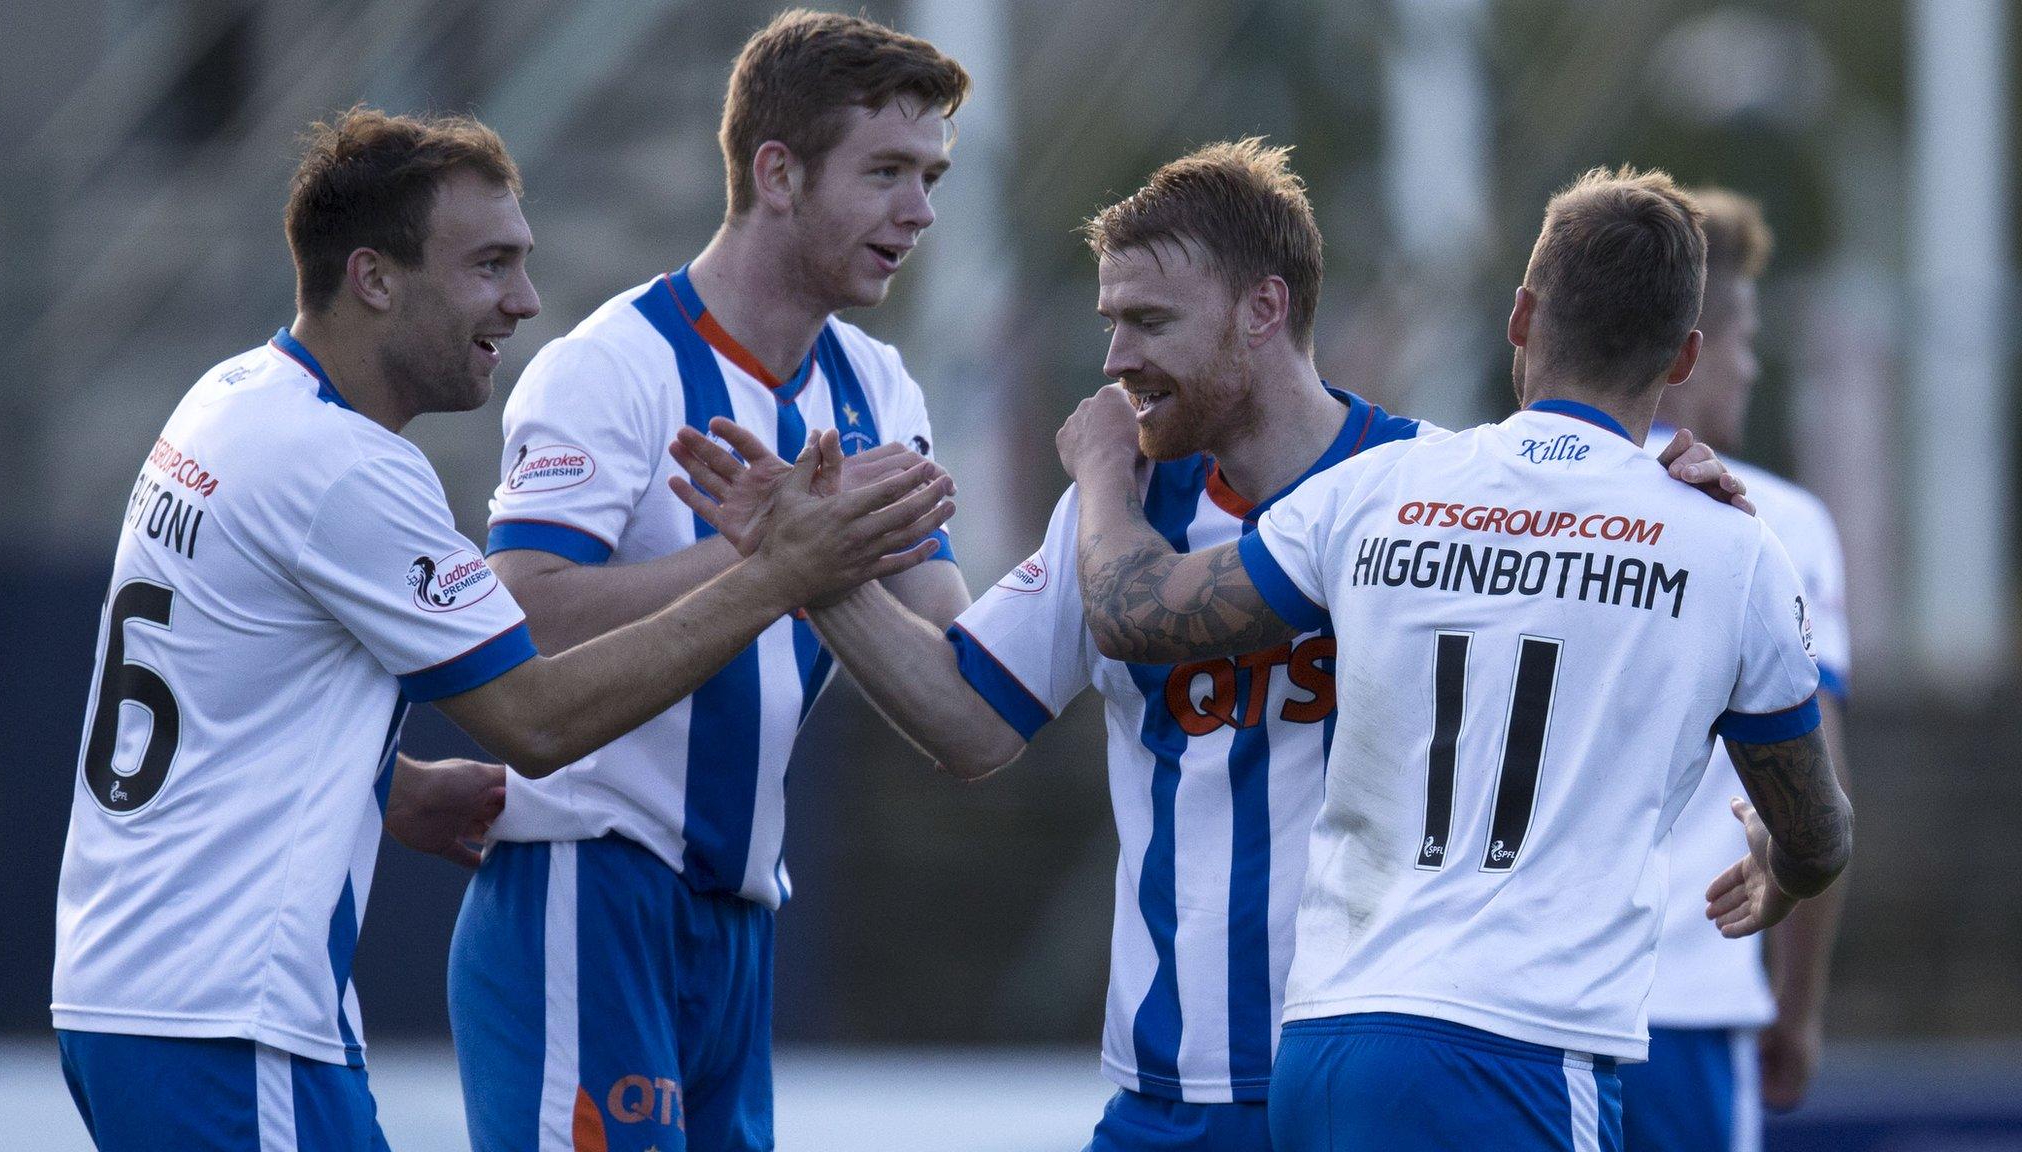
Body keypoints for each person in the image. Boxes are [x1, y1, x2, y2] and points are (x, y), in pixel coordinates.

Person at [667, 142, 1748, 1152]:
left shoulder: (1433, 493)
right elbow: (967, 721)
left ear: (1260, 311)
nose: (1115, 360)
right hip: (1173, 1094)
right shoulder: (1116, 517)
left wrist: (1662, 481)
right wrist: (802, 574)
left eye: (1147, 322)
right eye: (1110, 322)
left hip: (1387, 1070)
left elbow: (1610, 589)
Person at [49, 107, 949, 1152]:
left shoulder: (231, 398)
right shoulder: (351, 470)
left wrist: (391, 785)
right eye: (487, 267)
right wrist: (780, 569)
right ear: (374, 277)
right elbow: (533, 719)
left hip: (136, 991)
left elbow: (221, 680)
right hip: (225, 1019)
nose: (522, 302)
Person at [1056, 167, 1853, 1150]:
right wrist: (1779, 867)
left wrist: (1102, 476)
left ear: (1519, 319)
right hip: (1518, 1050)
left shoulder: (1384, 487)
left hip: (1327, 1046)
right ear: (1682, 356)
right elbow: (1818, 834)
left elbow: (1134, 613)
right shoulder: (1730, 544)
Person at [447, 11, 973, 1151]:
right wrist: (767, 552)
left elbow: (950, 662)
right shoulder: (610, 367)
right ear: (775, 173)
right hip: (587, 892)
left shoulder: (879, 390)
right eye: (884, 172)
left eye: (927, 176)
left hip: (738, 922)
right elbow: (518, 610)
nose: (918, 211)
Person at [1618, 187, 1855, 1151]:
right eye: (1746, 337)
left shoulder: (1507, 502)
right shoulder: (1778, 523)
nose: (1753, 369)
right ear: (1694, 349)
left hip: (1521, 1007)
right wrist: (1798, 1008)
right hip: (1687, 992)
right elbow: (1815, 788)